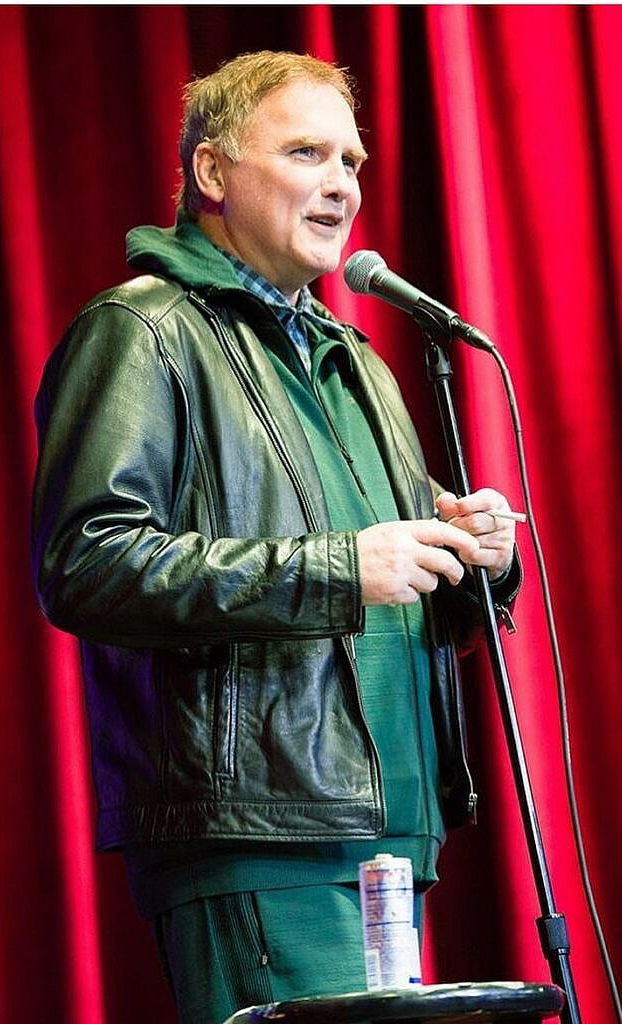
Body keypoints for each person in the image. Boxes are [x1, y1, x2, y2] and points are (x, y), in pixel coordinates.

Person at [32, 51, 521, 1024]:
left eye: (352, 161)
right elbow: (86, 564)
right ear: (212, 173)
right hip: (261, 838)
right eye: (307, 152)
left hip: (389, 842)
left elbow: (399, 585)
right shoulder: (145, 331)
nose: (342, 183)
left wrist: (474, 561)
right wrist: (340, 569)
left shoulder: (355, 363)